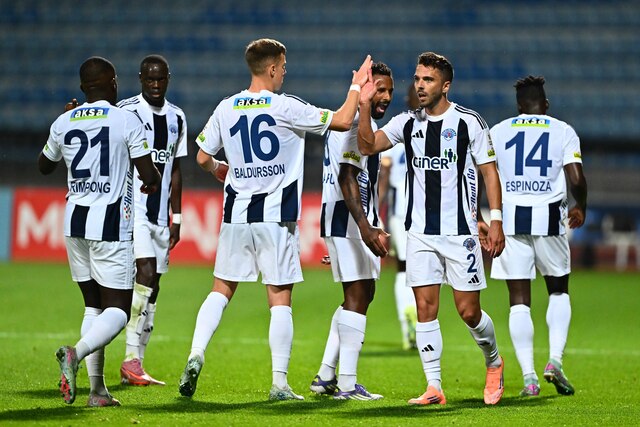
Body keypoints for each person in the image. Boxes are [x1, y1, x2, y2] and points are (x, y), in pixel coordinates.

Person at [178, 38, 372, 401]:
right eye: (282, 66)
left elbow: (202, 157)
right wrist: (356, 85)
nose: (285, 71)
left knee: (221, 289)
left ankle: (196, 353)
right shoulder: (286, 106)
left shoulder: (227, 106)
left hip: (236, 216)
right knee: (280, 298)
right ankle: (279, 384)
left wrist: (220, 168)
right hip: (276, 218)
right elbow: (344, 119)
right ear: (271, 68)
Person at [357, 52, 506, 406]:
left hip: (460, 232)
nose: (420, 86)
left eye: (428, 80)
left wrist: (496, 219)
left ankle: (494, 361)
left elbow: (489, 172)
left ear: (445, 85)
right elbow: (367, 145)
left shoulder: (468, 122)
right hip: (420, 232)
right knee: (425, 308)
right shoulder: (408, 123)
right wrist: (363, 105)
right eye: (417, 79)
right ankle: (434, 386)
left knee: (469, 311)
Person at [39, 56, 161, 406]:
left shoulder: (64, 121)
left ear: (83, 88)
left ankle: (97, 391)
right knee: (118, 311)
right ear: (113, 83)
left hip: (74, 223)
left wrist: (65, 126)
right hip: (110, 224)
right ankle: (74, 353)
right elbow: (149, 174)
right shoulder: (126, 119)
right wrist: (150, 182)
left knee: (93, 307)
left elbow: (44, 166)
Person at [485, 75, 587, 397]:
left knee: (519, 301)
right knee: (558, 291)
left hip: (511, 221)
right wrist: (580, 205)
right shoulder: (562, 130)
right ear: (546, 104)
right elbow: (576, 178)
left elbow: (484, 175)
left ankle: (529, 378)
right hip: (549, 220)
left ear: (519, 106)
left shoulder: (498, 131)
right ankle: (554, 360)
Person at [310, 62, 393, 400]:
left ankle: (326, 375)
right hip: (350, 219)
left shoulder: (356, 122)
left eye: (389, 90)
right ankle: (346, 383)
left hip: (347, 220)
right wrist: (365, 228)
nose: (386, 96)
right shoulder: (356, 124)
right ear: (365, 89)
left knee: (360, 294)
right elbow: (347, 177)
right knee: (357, 297)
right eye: (379, 89)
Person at [116, 55, 189, 387]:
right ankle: (130, 358)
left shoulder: (177, 117)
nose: (155, 85)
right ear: (141, 79)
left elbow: (175, 169)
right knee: (144, 274)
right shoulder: (126, 111)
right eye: (150, 79)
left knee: (154, 287)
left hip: (161, 216)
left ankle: (137, 364)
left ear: (168, 79)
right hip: (134, 212)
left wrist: (178, 216)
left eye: (160, 79)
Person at [378, 83, 420, 350]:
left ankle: (408, 324)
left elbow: (384, 175)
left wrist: (375, 212)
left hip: (400, 213)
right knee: (425, 270)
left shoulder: (395, 129)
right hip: (426, 214)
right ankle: (420, 320)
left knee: (403, 267)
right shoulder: (440, 128)